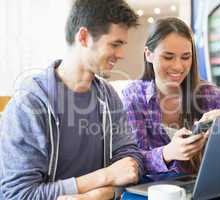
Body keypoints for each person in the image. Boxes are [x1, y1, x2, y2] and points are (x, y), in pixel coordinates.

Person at [0, 0, 144, 199]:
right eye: (115, 44)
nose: (121, 55)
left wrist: (101, 194)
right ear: (83, 37)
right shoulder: (28, 104)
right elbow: (17, 195)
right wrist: (104, 177)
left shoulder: (108, 96)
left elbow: (129, 161)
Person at [121, 17, 220, 175]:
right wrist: (167, 153)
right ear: (148, 55)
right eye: (168, 57)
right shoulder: (134, 96)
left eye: (186, 57)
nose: (178, 66)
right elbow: (131, 163)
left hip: (203, 187)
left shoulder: (212, 96)